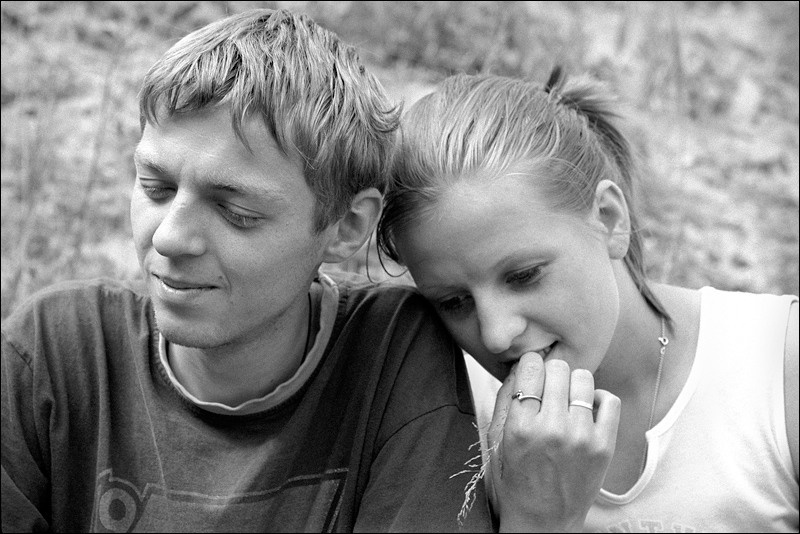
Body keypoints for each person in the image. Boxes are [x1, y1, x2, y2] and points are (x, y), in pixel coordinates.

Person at [1, 9, 499, 532]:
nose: (169, 237)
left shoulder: (392, 355)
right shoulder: (54, 356)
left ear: (347, 227)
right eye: (155, 187)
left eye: (236, 213)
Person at [377, 68, 799, 532]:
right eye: (455, 302)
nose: (496, 335)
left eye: (523, 276)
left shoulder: (776, 371)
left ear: (610, 218)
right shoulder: (451, 418)